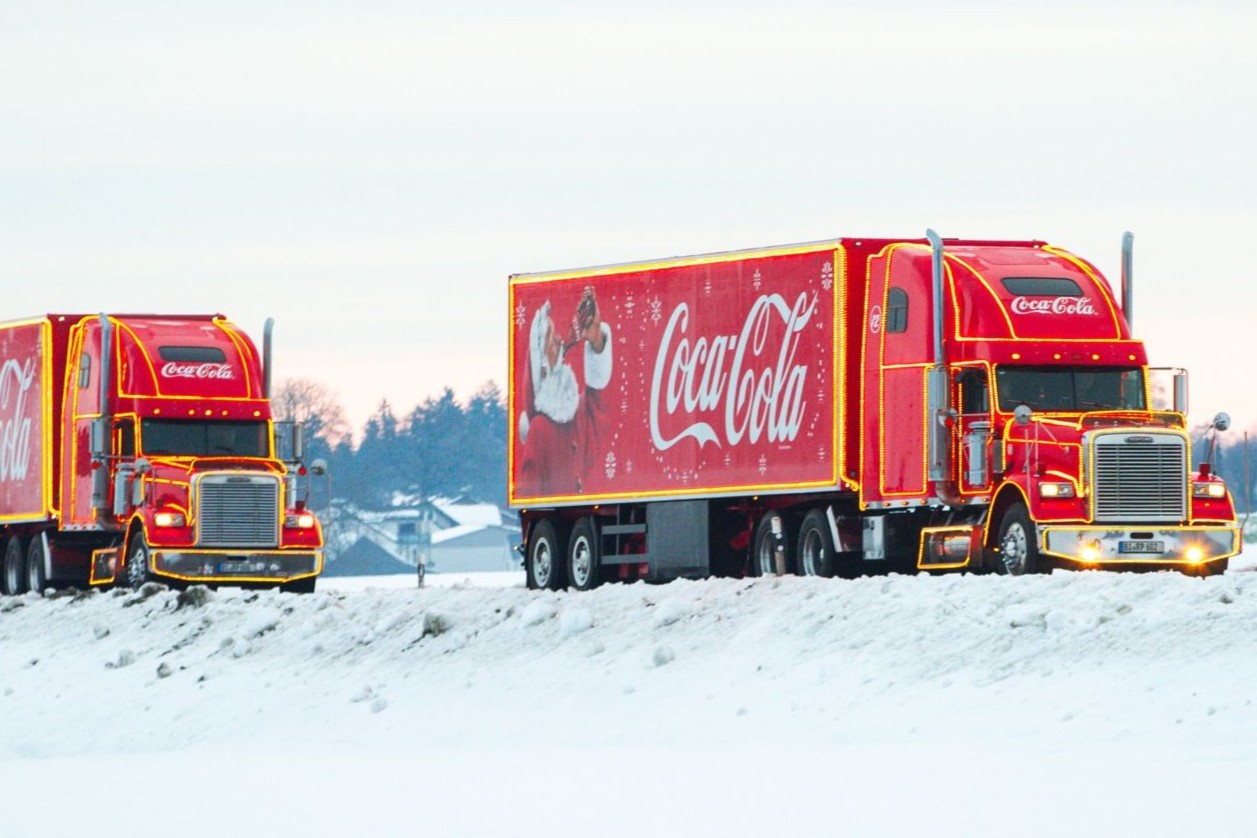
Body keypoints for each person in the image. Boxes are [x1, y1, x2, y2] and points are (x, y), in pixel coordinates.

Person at [517, 286, 614, 496]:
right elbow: (530, 495)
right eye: (552, 340)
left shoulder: (575, 414)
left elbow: (600, 405)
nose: (560, 340)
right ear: (542, 365)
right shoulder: (539, 429)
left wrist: (597, 340)